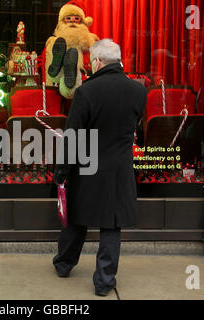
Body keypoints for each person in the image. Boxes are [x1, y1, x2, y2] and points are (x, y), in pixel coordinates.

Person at [53, 39, 148, 297]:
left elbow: (72, 137)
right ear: (118, 61)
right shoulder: (139, 91)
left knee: (77, 216)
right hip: (119, 168)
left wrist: (61, 172)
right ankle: (105, 283)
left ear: (96, 62)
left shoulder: (86, 92)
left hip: (87, 164)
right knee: (111, 225)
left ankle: (64, 264)